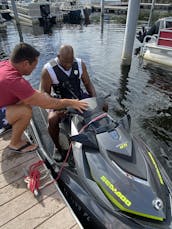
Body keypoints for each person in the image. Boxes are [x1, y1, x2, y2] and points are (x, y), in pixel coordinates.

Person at [0, 42, 88, 153]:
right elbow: (47, 103)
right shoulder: (14, 80)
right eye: (34, 66)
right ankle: (15, 144)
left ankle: (9, 122)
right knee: (25, 111)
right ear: (26, 63)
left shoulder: (5, 65)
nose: (34, 69)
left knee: (25, 100)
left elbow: (33, 95)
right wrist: (71, 103)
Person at [40, 44, 96, 161]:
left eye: (70, 62)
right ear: (58, 56)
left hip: (79, 98)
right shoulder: (48, 70)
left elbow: (88, 83)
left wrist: (94, 100)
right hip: (61, 101)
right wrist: (59, 106)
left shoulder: (80, 64)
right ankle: (57, 146)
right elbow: (45, 94)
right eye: (65, 62)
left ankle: (98, 132)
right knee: (52, 119)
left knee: (104, 105)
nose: (68, 65)